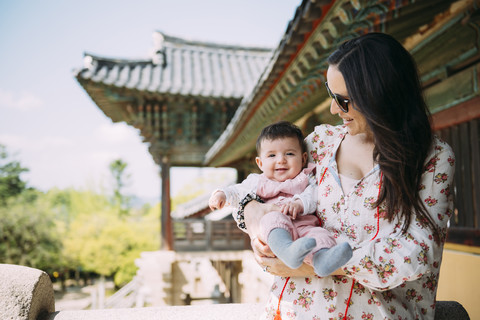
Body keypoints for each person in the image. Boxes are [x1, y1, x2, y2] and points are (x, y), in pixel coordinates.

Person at [239, 33, 456, 319]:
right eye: (331, 95)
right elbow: (258, 188)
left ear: (380, 95)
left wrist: (315, 264)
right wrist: (255, 219)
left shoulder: (433, 158)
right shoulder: (320, 143)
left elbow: (416, 253)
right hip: (292, 311)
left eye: (343, 101)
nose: (332, 109)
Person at [209, 121, 352, 277]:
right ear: (260, 163)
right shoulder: (257, 181)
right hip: (276, 231)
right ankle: (287, 251)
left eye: (289, 154)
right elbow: (237, 191)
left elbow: (313, 195)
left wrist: (299, 203)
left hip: (304, 226)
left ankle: (322, 260)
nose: (281, 160)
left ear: (303, 158)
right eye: (272, 155)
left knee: (319, 235)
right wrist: (221, 194)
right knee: (272, 218)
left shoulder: (306, 178)